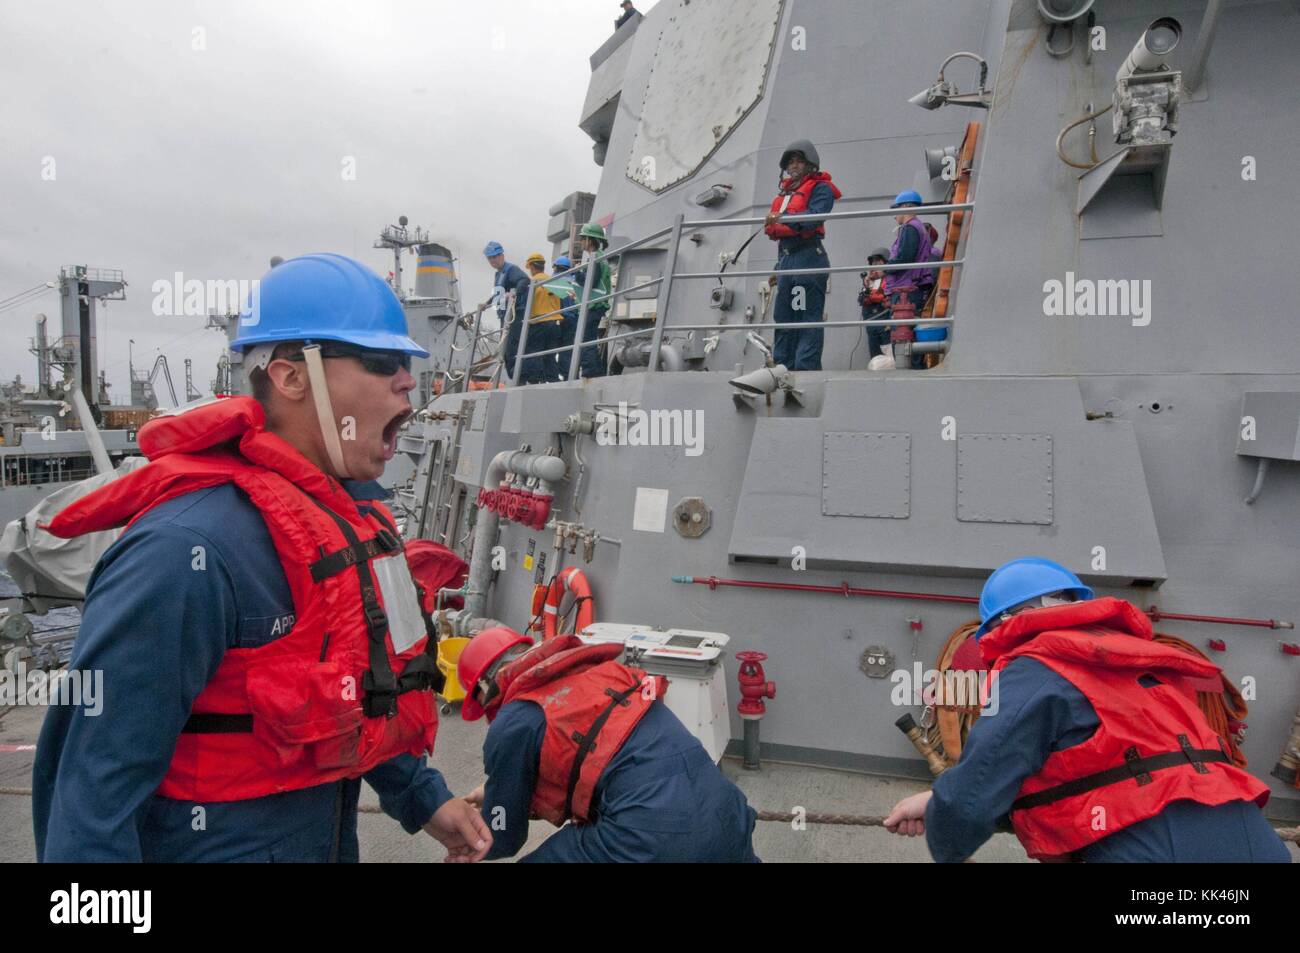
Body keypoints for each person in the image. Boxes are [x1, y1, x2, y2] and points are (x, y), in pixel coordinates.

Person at [33, 253, 491, 862]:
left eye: (406, 364)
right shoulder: (186, 550)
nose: (407, 382)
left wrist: (422, 797)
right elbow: (88, 801)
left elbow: (364, 695)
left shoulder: (356, 530)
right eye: (382, 363)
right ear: (290, 378)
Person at [884, 557, 1289, 863]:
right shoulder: (1142, 663)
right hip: (1256, 844)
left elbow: (979, 786)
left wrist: (944, 826)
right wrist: (937, 801)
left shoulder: (1035, 668)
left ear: (1005, 624)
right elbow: (1096, 770)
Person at [455, 627, 760, 863]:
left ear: (486, 687)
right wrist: (494, 790)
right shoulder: (604, 674)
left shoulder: (513, 720)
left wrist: (462, 837)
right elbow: (605, 755)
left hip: (654, 837)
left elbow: (504, 833)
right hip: (728, 815)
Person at [764, 139, 841, 372]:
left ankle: (804, 371)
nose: (794, 166)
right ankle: (782, 368)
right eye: (791, 163)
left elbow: (814, 218)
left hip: (808, 258)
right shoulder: (787, 194)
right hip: (788, 260)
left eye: (799, 161)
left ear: (810, 164)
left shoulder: (821, 189)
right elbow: (783, 236)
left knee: (807, 318)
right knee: (784, 317)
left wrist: (784, 219)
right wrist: (778, 268)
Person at [481, 241, 535, 384]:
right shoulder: (499, 274)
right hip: (504, 318)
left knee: (512, 350)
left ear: (502, 255)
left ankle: (521, 380)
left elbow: (524, 280)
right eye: (490, 258)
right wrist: (486, 304)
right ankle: (517, 380)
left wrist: (514, 293)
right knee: (506, 353)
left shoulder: (511, 269)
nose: (493, 260)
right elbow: (499, 294)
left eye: (495, 257)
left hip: (514, 316)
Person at [572, 223, 613, 378]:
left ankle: (590, 371)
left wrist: (577, 274)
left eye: (583, 238)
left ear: (590, 240)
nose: (581, 241)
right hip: (596, 305)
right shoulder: (599, 257)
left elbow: (592, 281)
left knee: (585, 338)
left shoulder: (595, 258)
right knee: (588, 338)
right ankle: (597, 370)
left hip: (594, 305)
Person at [522, 252, 565, 383]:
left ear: (531, 267)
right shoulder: (554, 281)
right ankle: (553, 380)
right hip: (554, 323)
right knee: (549, 356)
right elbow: (565, 299)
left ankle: (535, 381)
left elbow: (525, 305)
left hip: (539, 323)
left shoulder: (533, 283)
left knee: (533, 353)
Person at [858, 247, 892, 361]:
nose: (874, 267)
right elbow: (862, 300)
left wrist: (871, 296)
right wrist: (866, 287)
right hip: (871, 324)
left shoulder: (889, 280)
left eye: (878, 263)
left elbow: (883, 297)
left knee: (888, 354)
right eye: (873, 263)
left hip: (884, 324)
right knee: (875, 356)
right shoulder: (869, 282)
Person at [550, 254, 580, 380]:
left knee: (550, 350)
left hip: (558, 319)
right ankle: (570, 375)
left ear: (556, 267)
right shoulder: (575, 281)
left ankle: (554, 375)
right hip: (573, 319)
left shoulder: (553, 280)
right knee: (568, 350)